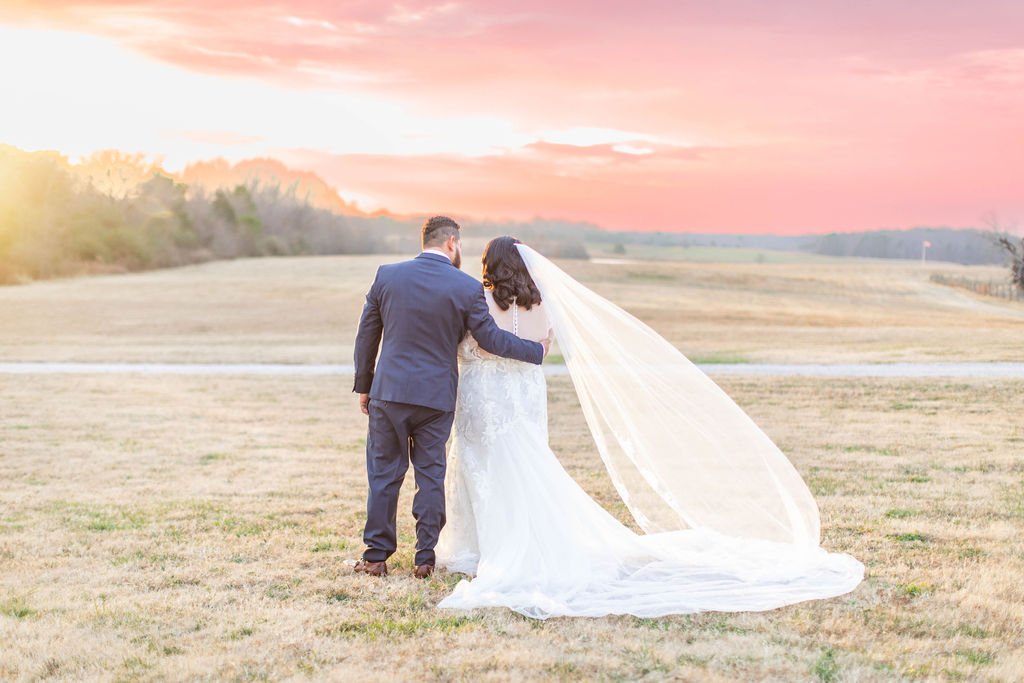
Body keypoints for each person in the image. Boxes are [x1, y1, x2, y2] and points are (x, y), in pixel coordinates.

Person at [433, 236, 864, 619]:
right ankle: (509, 542)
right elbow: (543, 349)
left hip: (483, 397)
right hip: (523, 397)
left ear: (490, 266)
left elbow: (475, 348)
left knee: (483, 467)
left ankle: (481, 548)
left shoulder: (478, 301)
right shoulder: (544, 303)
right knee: (526, 468)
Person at [351, 218, 550, 579]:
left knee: (383, 474)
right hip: (436, 396)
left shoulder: (387, 276)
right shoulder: (465, 286)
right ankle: (424, 558)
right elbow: (489, 339)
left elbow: (367, 335)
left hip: (390, 392)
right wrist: (534, 351)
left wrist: (365, 385)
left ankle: (376, 557)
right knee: (431, 476)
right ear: (452, 243)